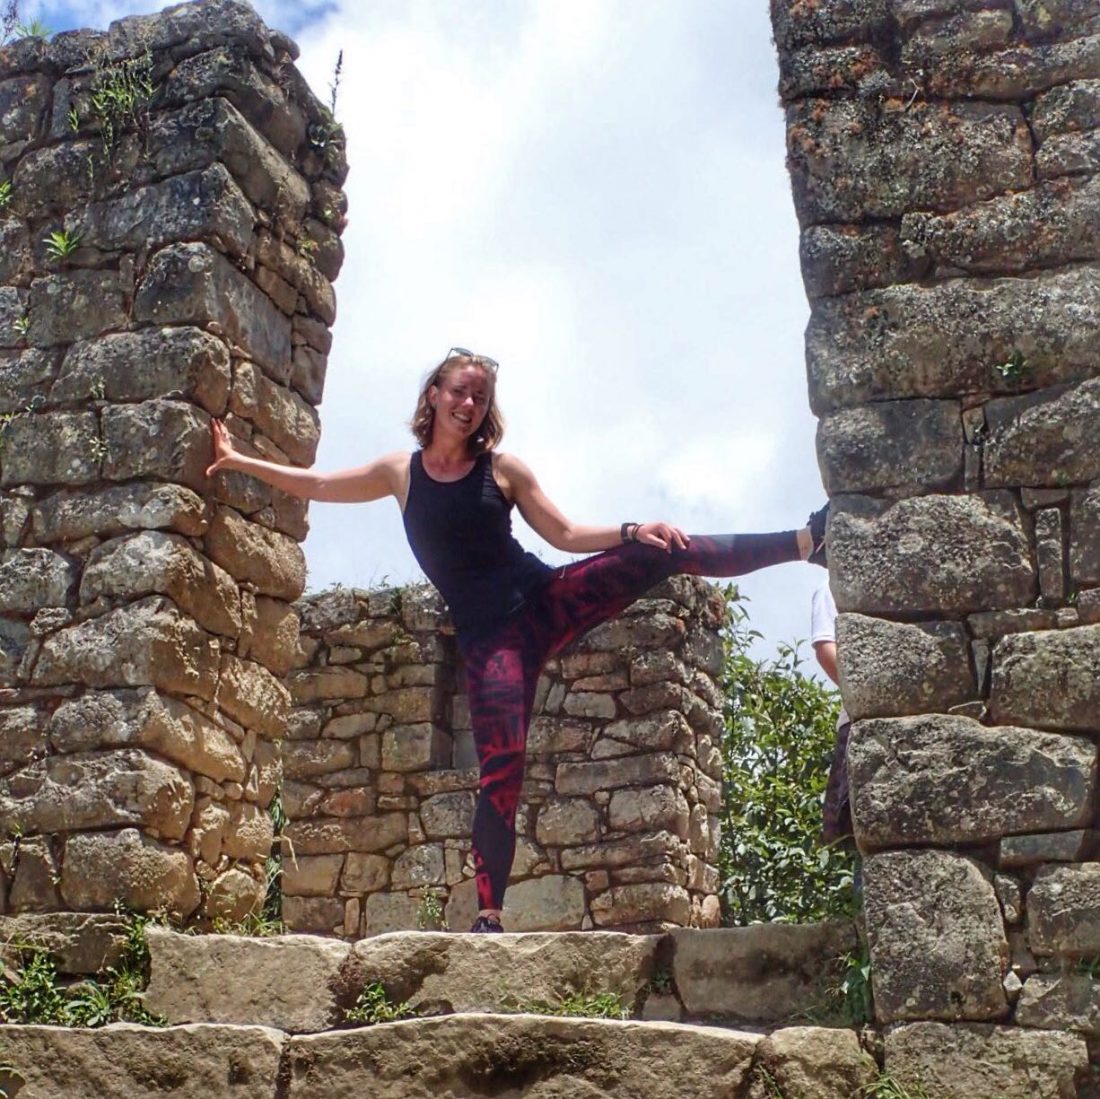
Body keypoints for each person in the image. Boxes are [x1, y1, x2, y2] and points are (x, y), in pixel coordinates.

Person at [207, 348, 828, 932]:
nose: (468, 404)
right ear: (434, 395)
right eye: (460, 391)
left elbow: (563, 532)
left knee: (666, 550)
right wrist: (239, 462)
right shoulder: (399, 473)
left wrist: (635, 528)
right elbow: (318, 485)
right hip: (491, 643)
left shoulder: (501, 470)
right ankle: (489, 916)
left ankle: (804, 543)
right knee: (501, 767)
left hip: (545, 599)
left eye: (480, 396)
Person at [810, 567, 854, 845]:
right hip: (858, 720)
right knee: (864, 832)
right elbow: (825, 647)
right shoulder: (832, 586)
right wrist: (868, 697)